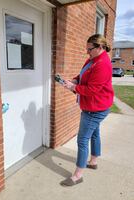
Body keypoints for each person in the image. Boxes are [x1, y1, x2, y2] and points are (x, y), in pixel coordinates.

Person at [60, 34, 114, 186]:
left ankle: (78, 175)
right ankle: (93, 161)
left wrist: (73, 87)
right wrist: (75, 80)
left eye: (89, 49)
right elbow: (83, 74)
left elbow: (92, 90)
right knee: (94, 133)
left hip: (95, 108)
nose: (87, 52)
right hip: (97, 106)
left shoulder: (103, 64)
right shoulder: (92, 59)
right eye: (87, 49)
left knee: (82, 140)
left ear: (100, 47)